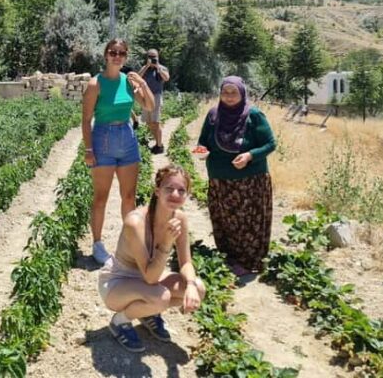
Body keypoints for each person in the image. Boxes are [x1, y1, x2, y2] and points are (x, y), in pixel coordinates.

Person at [98, 164, 206, 352]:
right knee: (161, 297)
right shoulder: (136, 222)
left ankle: (148, 312)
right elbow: (150, 277)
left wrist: (190, 285)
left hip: (147, 280)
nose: (175, 194)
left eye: (181, 190)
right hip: (118, 282)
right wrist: (166, 243)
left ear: (187, 195)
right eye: (169, 188)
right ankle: (120, 321)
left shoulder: (179, 218)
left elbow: (186, 262)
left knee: (199, 288)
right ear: (157, 191)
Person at [82, 38, 154, 265]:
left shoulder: (128, 81)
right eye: (113, 52)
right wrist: (88, 149)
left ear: (126, 56)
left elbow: (149, 106)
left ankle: (129, 244)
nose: (117, 56)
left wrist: (142, 84)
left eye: (121, 53)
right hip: (103, 138)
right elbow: (85, 119)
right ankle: (97, 244)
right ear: (106, 55)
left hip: (127, 138)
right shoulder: (95, 84)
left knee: (129, 197)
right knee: (101, 197)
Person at [196, 76, 276, 277]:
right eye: (225, 92)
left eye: (234, 92)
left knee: (248, 222)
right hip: (219, 179)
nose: (229, 96)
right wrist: (201, 150)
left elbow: (270, 143)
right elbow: (203, 141)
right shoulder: (214, 114)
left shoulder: (254, 115)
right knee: (224, 220)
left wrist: (250, 155)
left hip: (250, 181)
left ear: (242, 93)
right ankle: (229, 257)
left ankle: (248, 262)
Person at [138, 49, 170, 154]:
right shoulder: (145, 68)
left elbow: (166, 78)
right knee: (148, 122)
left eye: (154, 57)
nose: (152, 59)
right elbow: (137, 77)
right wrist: (147, 66)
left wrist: (158, 68)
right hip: (146, 96)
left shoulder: (162, 68)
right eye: (150, 57)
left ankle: (159, 146)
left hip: (156, 97)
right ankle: (158, 142)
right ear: (147, 57)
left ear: (158, 57)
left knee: (156, 122)